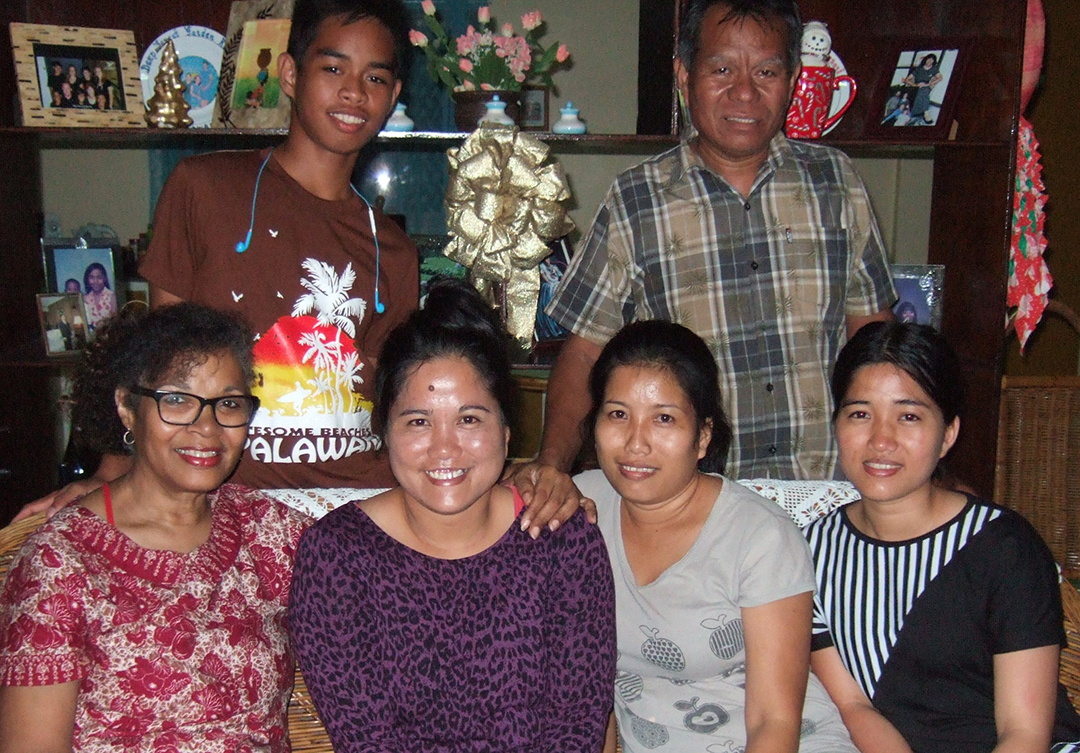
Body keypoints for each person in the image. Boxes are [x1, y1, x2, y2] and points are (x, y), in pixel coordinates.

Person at [509, 0, 896, 489]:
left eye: (767, 71)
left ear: (794, 77)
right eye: (722, 69)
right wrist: (552, 463)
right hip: (696, 506)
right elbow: (585, 354)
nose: (744, 92)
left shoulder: (837, 182)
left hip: (830, 492)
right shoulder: (637, 199)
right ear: (683, 75)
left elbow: (875, 343)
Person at [289, 278, 616, 750]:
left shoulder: (561, 540)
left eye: (469, 419)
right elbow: (367, 740)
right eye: (419, 421)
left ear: (506, 432)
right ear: (384, 430)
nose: (444, 447)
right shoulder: (338, 558)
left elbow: (575, 726)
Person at [0, 302, 310, 751]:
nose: (207, 427)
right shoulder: (60, 565)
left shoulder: (267, 531)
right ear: (127, 407)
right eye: (177, 400)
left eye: (227, 403)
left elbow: (381, 566)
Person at [573, 319, 857, 753]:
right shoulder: (580, 506)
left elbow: (773, 721)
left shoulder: (759, 537)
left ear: (703, 435)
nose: (635, 443)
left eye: (663, 418)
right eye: (617, 414)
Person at [805, 321, 1080, 753]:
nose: (880, 439)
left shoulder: (1004, 548)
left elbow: (1024, 732)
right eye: (860, 413)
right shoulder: (809, 551)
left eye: (909, 416)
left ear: (948, 434)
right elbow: (855, 706)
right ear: (836, 423)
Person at [902, 53, 942, 126]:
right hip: (917, 86)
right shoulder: (919, 69)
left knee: (924, 91)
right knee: (922, 92)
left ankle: (918, 114)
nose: (930, 61)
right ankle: (924, 113)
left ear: (933, 62)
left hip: (926, 86)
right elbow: (907, 79)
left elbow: (940, 78)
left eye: (932, 60)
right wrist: (915, 85)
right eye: (928, 59)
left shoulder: (934, 69)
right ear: (925, 60)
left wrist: (928, 84)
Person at [82, 261, 117, 329]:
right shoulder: (85, 298)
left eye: (99, 277)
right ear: (87, 279)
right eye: (92, 277)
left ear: (104, 278)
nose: (95, 281)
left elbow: (115, 321)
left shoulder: (112, 296)